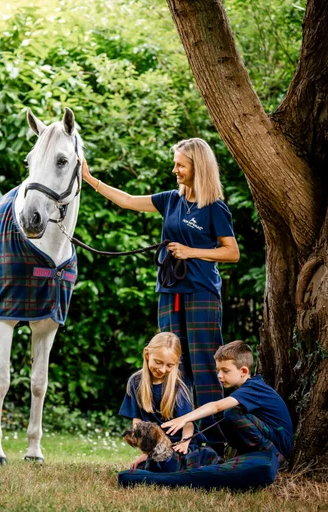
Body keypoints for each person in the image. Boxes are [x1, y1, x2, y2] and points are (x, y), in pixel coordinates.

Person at [83, 138, 239, 452]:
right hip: (170, 290)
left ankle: (211, 443)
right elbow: (127, 200)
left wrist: (190, 251)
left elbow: (231, 252)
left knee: (204, 367)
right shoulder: (170, 200)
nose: (175, 170)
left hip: (201, 293)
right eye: (176, 164)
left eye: (181, 164)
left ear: (198, 167)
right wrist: (90, 180)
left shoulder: (214, 208)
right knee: (171, 366)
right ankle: (172, 441)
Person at [160, 340, 293, 465]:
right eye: (218, 370)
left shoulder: (254, 388)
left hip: (280, 442)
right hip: (272, 435)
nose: (219, 375)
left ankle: (274, 457)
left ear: (244, 371)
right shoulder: (246, 388)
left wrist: (183, 419)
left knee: (231, 413)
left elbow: (216, 406)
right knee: (224, 415)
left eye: (225, 370)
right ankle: (246, 455)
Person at [119, 332, 196, 470]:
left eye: (169, 365)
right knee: (140, 469)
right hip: (153, 445)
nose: (162, 369)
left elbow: (188, 422)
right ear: (147, 354)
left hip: (178, 443)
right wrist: (145, 452)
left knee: (168, 467)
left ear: (176, 363)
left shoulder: (178, 387)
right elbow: (138, 422)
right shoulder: (135, 382)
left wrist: (184, 443)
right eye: (158, 362)